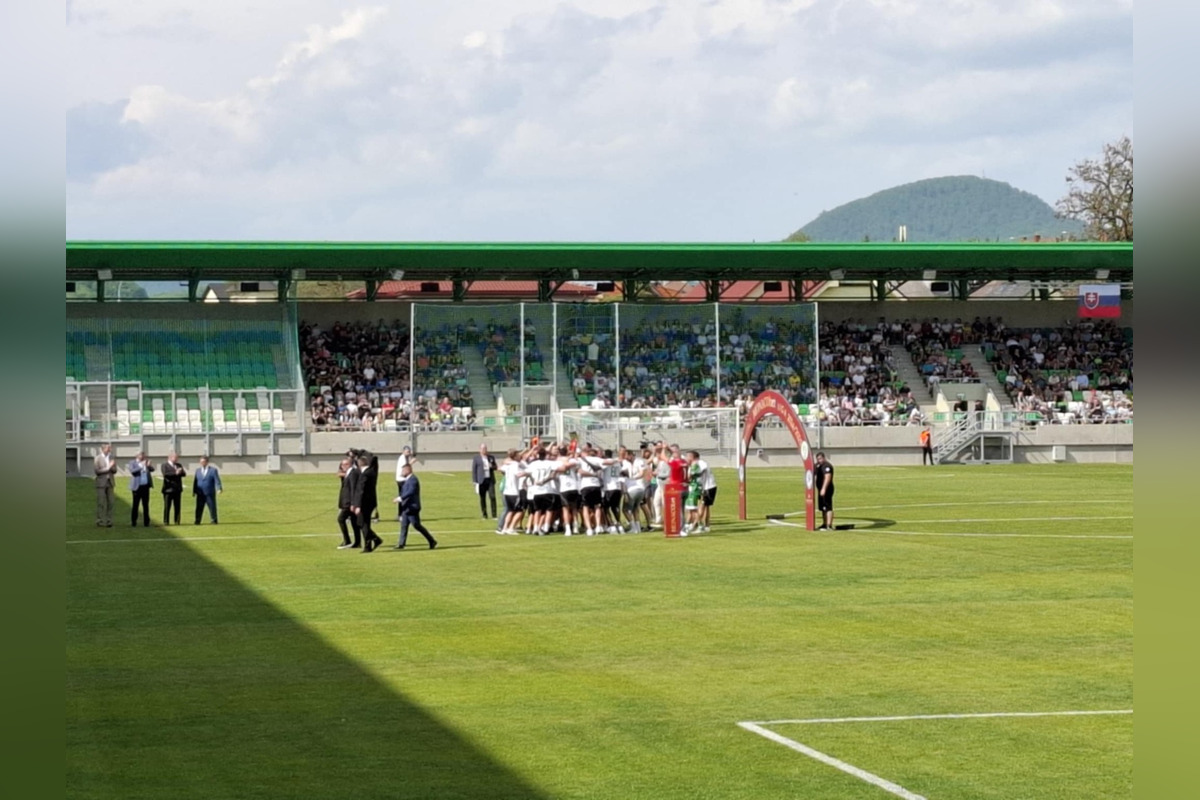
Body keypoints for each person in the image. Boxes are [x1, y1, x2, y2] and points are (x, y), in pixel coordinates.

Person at [394, 463, 438, 549]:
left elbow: (410, 492)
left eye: (403, 470)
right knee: (404, 526)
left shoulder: (413, 480)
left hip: (412, 507)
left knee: (417, 525)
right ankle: (401, 544)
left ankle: (432, 541)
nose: (402, 472)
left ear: (408, 470)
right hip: (406, 507)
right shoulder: (408, 480)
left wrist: (400, 498)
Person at [353, 451, 384, 552]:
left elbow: (361, 491)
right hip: (371, 502)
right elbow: (374, 459)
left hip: (364, 503)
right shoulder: (372, 472)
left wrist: (357, 505)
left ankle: (375, 539)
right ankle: (369, 545)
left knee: (362, 523)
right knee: (365, 523)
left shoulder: (365, 475)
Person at [336, 457, 360, 549]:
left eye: (343, 465)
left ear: (348, 464)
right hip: (346, 502)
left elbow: (353, 489)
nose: (342, 467)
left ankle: (347, 540)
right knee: (354, 522)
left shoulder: (352, 473)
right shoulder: (348, 473)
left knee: (341, 519)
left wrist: (353, 503)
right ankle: (357, 542)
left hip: (349, 503)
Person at [471, 443, 499, 522]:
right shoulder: (476, 458)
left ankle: (494, 515)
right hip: (481, 480)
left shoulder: (491, 457)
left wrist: (492, 466)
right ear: (480, 449)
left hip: (490, 480)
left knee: (492, 497)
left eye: (485, 449)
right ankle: (484, 514)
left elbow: (495, 467)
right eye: (483, 449)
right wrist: (475, 480)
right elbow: (474, 470)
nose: (484, 450)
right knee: (482, 498)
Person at [127, 451, 155, 527]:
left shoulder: (146, 462)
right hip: (137, 487)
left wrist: (148, 466)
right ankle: (134, 521)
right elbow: (133, 471)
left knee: (145, 505)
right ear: (137, 455)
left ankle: (146, 522)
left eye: (143, 454)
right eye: (141, 454)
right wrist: (140, 466)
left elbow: (152, 469)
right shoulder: (132, 462)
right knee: (135, 505)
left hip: (145, 487)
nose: (143, 456)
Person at [193, 455, 222, 525]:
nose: (202, 463)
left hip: (209, 492)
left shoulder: (213, 470)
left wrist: (219, 488)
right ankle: (197, 520)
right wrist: (194, 491)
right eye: (201, 462)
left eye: (203, 461)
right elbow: (195, 481)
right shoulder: (198, 471)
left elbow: (217, 480)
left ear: (207, 462)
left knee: (212, 507)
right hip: (200, 493)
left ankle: (214, 520)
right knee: (199, 508)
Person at [93, 443, 117, 527]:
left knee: (110, 502)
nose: (110, 449)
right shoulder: (98, 458)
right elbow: (97, 471)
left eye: (110, 448)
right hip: (101, 483)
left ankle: (109, 521)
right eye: (108, 448)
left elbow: (114, 471)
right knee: (101, 502)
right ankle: (99, 520)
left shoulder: (111, 457)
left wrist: (113, 467)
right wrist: (108, 468)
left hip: (110, 482)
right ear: (103, 449)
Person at [160, 451, 186, 525]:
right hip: (168, 489)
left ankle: (177, 521)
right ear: (170, 457)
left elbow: (184, 474)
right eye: (175, 457)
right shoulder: (165, 465)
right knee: (167, 506)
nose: (177, 459)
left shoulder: (178, 465)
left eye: (177, 458)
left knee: (177, 506)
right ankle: (166, 521)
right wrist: (176, 473)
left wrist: (180, 472)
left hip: (177, 489)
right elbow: (166, 474)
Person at [394, 445, 416, 520]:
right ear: (403, 451)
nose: (408, 453)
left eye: (409, 451)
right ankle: (401, 514)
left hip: (402, 479)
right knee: (404, 497)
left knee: (403, 497)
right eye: (407, 451)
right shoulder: (402, 458)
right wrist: (411, 462)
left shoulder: (405, 458)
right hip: (401, 480)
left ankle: (402, 514)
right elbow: (405, 467)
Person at [815, 451, 835, 530]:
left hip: (827, 489)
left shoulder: (827, 466)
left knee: (828, 507)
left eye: (820, 458)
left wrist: (823, 488)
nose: (819, 460)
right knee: (823, 507)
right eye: (817, 459)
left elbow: (828, 477)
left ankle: (829, 525)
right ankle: (824, 523)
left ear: (823, 458)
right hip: (820, 489)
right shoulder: (818, 466)